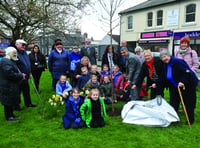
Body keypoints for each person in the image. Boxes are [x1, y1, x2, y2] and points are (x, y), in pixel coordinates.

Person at [159, 50, 198, 124]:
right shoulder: (165, 64)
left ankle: (190, 119)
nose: (163, 59)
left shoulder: (178, 62)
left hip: (188, 84)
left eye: (164, 56)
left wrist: (182, 81)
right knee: (173, 102)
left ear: (169, 55)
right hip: (174, 85)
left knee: (188, 102)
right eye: (162, 58)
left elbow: (186, 72)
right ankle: (174, 119)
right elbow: (164, 75)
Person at [0, 47, 26, 121]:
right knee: (7, 101)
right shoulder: (5, 61)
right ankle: (8, 117)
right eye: (14, 53)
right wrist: (20, 75)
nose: (15, 54)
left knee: (11, 100)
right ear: (9, 53)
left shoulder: (10, 61)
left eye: (16, 53)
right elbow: (9, 74)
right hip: (7, 85)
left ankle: (11, 115)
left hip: (11, 85)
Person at [15, 39, 36, 109]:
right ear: (17, 45)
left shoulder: (25, 53)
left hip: (26, 76)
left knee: (26, 90)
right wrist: (19, 74)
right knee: (17, 92)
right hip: (19, 76)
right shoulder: (15, 53)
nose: (23, 46)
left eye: (24, 45)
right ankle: (16, 106)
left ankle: (28, 104)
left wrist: (29, 72)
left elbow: (27, 63)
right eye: (22, 44)